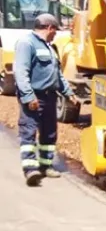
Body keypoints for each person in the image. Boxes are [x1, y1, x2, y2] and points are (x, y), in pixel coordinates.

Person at [13, 13, 78, 186]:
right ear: (49, 28)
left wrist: (68, 92)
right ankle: (30, 169)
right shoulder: (27, 43)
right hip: (34, 96)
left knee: (49, 132)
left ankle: (45, 165)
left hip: (50, 97)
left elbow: (57, 74)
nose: (55, 34)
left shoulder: (49, 48)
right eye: (55, 30)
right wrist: (29, 96)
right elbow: (21, 72)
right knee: (29, 131)